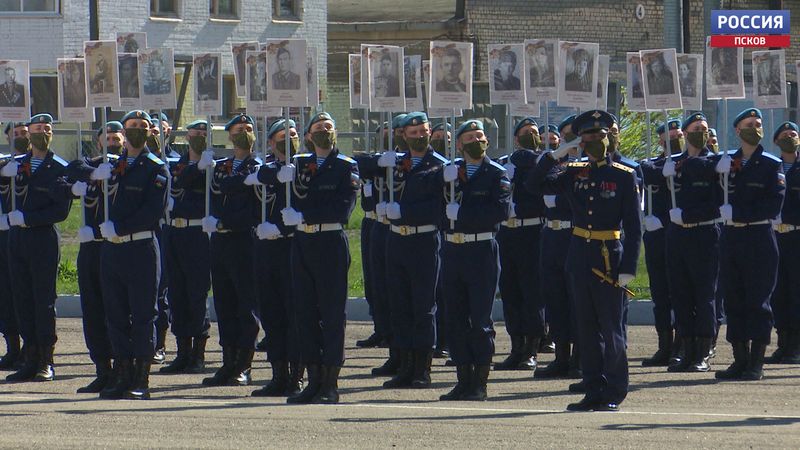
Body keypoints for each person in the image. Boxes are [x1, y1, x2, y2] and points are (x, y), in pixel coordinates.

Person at [528, 109, 641, 412]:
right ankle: (593, 388)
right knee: (586, 329)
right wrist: (557, 154)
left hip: (610, 258)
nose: (594, 141)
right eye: (588, 136)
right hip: (579, 256)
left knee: (611, 329)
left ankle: (615, 389)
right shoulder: (573, 170)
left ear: (609, 137)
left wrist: (629, 269)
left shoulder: (624, 175)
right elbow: (535, 184)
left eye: (600, 135)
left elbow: (634, 227)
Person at [68, 110, 168, 399]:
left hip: (140, 247)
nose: (136, 130)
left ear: (150, 132)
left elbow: (152, 211)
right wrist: (91, 173)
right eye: (131, 125)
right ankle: (121, 374)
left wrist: (119, 226)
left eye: (141, 126)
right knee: (115, 315)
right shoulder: (112, 164)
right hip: (112, 250)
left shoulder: (154, 167)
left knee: (142, 314)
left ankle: (141, 378)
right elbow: (71, 168)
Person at [262, 112, 358, 404]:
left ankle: (330, 383)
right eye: (318, 128)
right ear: (307, 136)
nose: (323, 132)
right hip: (303, 242)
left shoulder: (345, 166)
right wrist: (279, 173)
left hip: (329, 241)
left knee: (331, 314)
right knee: (304, 312)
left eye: (328, 127)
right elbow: (262, 175)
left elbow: (343, 209)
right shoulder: (298, 164)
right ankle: (313, 379)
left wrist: (303, 214)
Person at [361, 112, 447, 389]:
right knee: (399, 304)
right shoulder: (394, 163)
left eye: (422, 132)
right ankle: (405, 364)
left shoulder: (440, 166)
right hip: (396, 240)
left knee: (422, 307)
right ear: (403, 136)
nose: (419, 137)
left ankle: (422, 368)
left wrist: (404, 211)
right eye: (413, 134)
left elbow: (441, 209)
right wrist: (378, 161)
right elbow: (354, 166)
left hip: (423, 240)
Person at [438, 119, 511, 401]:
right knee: (455, 317)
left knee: (479, 318)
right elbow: (432, 207)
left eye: (480, 137)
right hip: (453, 251)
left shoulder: (496, 174)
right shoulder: (450, 173)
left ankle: (480, 381)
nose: (476, 142)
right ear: (459, 144)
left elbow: (499, 212)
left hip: (481, 249)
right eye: (469, 137)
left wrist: (462, 215)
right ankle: (462, 379)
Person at [0, 114, 71, 383]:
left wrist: (28, 218)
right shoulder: (15, 164)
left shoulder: (57, 167)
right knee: (22, 299)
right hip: (17, 239)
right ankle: (28, 358)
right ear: (28, 133)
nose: (43, 132)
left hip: (42, 238)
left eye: (48, 129)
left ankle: (45, 360)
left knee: (43, 301)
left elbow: (60, 210)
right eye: (38, 129)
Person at [715, 108, 783, 381]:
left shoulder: (770, 164)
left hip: (758, 238)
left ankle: (756, 361)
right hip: (731, 238)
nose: (754, 128)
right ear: (736, 131)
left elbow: (773, 203)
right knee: (734, 299)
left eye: (757, 124)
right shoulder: (725, 163)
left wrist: (739, 213)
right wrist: (713, 172)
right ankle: (739, 359)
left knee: (757, 301)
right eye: (748, 124)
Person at [199, 114, 261, 388]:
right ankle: (228, 361)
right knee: (224, 303)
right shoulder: (221, 166)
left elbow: (252, 208)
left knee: (245, 304)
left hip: (243, 240)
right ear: (229, 135)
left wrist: (224, 220)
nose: (244, 133)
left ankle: (244, 365)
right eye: (239, 129)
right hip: (220, 241)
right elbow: (211, 194)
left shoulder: (257, 166)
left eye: (248, 129)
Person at [245, 118, 305, 397]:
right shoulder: (264, 171)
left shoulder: (303, 168)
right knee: (271, 313)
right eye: (282, 136)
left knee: (294, 312)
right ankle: (278, 374)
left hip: (292, 247)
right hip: (265, 249)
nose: (288, 140)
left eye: (292, 135)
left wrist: (282, 228)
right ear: (270, 142)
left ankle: (297, 375)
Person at [658, 113, 722, 372]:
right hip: (677, 236)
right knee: (681, 294)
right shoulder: (674, 164)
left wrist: (687, 215)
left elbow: (717, 203)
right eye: (696, 128)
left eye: (704, 129)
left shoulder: (717, 163)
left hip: (705, 233)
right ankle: (685, 349)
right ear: (685, 134)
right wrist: (664, 169)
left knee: (705, 295)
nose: (701, 133)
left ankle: (703, 352)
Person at [68, 122, 124, 393]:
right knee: (92, 310)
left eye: (117, 137)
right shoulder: (90, 165)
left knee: (116, 309)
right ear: (100, 141)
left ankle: (122, 368)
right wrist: (93, 174)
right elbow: (72, 168)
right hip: (91, 247)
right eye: (108, 137)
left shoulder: (127, 166)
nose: (113, 141)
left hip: (116, 246)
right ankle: (102, 368)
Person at [158, 120, 211, 375]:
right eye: (195, 133)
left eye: (204, 134)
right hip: (174, 231)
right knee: (177, 292)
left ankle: (198, 354)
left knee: (196, 293)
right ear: (187, 136)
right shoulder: (175, 163)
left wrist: (201, 169)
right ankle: (182, 351)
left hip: (198, 232)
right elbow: (178, 183)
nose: (199, 137)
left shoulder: (213, 165)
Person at [493, 117, 545, 371]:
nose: (531, 136)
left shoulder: (543, 164)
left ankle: (532, 350)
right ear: (515, 139)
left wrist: (519, 207)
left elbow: (545, 200)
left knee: (532, 293)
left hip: (532, 232)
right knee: (510, 291)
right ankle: (516, 346)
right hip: (507, 234)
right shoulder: (504, 164)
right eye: (526, 132)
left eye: (534, 132)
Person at [535, 117, 582, 378]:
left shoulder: (589, 167)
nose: (571, 141)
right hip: (552, 237)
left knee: (577, 301)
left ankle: (580, 358)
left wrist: (562, 200)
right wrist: (554, 156)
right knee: (555, 298)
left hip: (576, 235)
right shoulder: (558, 166)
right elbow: (533, 183)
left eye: (575, 137)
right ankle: (561, 356)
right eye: (566, 137)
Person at [639, 119, 680, 368]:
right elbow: (645, 173)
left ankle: (681, 345)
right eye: (670, 136)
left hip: (680, 232)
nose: (674, 140)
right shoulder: (652, 164)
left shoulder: (690, 164)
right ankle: (664, 345)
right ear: (661, 141)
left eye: (678, 135)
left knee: (681, 293)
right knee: (660, 293)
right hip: (656, 235)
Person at [766, 121, 800, 364]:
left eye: (794, 133)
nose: (790, 137)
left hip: (797, 235)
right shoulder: (771, 167)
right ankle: (783, 342)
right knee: (778, 292)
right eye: (785, 134)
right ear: (776, 141)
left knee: (796, 291)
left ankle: (796, 345)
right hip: (775, 236)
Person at [0, 122, 29, 371]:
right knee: (5, 294)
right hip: (2, 236)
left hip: (23, 234)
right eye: (14, 135)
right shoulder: (3, 163)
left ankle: (31, 350)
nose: (19, 137)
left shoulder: (35, 165)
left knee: (23, 291)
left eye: (23, 134)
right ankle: (12, 347)